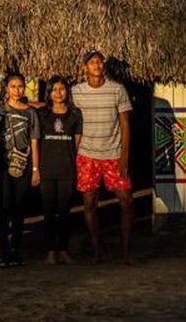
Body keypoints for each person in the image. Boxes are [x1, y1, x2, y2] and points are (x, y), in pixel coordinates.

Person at [72, 49, 134, 264]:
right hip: (87, 155)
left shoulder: (117, 89)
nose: (97, 65)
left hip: (113, 155)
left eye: (99, 62)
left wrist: (124, 157)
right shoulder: (76, 92)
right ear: (85, 68)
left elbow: (125, 125)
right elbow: (60, 111)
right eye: (92, 62)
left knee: (126, 200)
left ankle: (126, 252)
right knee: (89, 204)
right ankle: (97, 250)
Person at [34, 75, 82, 264]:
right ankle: (49, 252)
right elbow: (36, 142)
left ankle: (63, 249)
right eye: (54, 89)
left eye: (62, 89)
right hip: (47, 169)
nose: (58, 93)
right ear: (49, 93)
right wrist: (36, 169)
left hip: (67, 170)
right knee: (48, 212)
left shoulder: (75, 115)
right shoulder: (42, 115)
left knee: (65, 212)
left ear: (67, 92)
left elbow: (76, 145)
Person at [0, 71, 39, 265]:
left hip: (23, 165)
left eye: (20, 86)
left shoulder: (31, 113)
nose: (17, 90)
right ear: (6, 88)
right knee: (3, 207)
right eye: (13, 86)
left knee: (19, 207)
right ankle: (3, 247)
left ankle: (16, 247)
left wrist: (35, 169)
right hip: (2, 165)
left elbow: (34, 142)